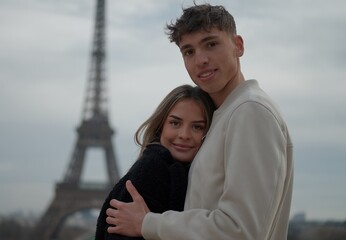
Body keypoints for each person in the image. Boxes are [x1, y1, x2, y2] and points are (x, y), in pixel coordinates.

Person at [105, 3, 294, 240]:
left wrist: (148, 223)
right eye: (188, 51)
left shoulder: (250, 111)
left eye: (211, 44)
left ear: (239, 45)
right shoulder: (225, 116)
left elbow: (241, 231)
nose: (200, 60)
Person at [95, 85, 215, 240]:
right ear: (161, 127)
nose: (184, 135)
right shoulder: (151, 171)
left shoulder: (184, 172)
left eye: (197, 127)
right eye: (175, 123)